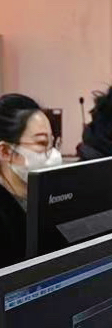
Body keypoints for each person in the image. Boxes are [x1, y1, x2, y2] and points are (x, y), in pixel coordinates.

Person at [0, 94, 60, 268]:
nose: (54, 155)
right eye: (42, 143)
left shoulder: (45, 197)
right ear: (5, 151)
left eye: (53, 143)